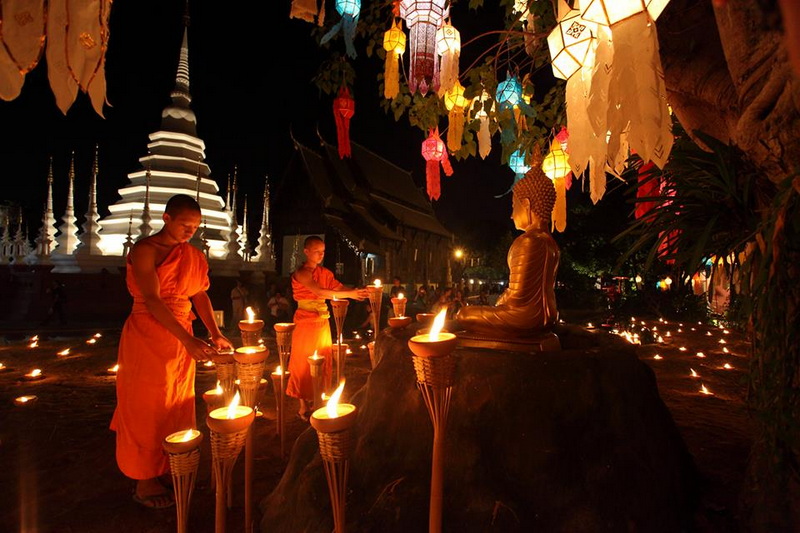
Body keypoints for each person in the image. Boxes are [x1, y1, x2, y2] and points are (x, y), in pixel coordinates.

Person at [110, 194, 233, 509]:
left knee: (176, 401)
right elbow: (152, 300)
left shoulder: (192, 254)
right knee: (147, 405)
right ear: (166, 218)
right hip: (148, 334)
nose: (189, 231)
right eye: (184, 224)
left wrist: (215, 333)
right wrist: (187, 341)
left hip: (180, 335)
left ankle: (165, 464)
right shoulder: (145, 250)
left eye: (194, 226)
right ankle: (143, 479)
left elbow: (199, 294)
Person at [456, 161, 560, 338]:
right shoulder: (552, 244)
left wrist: (501, 300)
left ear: (526, 205)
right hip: (549, 316)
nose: (511, 215)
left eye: (514, 207)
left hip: (524, 318)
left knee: (463, 315)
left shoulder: (528, 241)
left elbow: (516, 298)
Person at [287, 236, 368, 421]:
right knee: (302, 361)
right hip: (305, 321)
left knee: (322, 358)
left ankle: (317, 400)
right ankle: (302, 406)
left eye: (323, 252)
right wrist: (351, 294)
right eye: (316, 251)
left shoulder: (325, 273)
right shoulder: (302, 273)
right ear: (306, 251)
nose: (320, 255)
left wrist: (359, 291)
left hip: (322, 321)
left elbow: (338, 288)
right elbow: (319, 292)